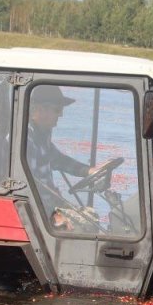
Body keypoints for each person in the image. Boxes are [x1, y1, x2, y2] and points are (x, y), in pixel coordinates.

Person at [26, 86, 97, 231]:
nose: (61, 115)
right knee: (86, 226)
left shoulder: (42, 135)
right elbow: (28, 186)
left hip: (46, 207)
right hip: (35, 212)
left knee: (92, 217)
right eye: (57, 110)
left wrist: (89, 171)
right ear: (40, 109)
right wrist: (53, 215)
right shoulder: (25, 139)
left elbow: (59, 160)